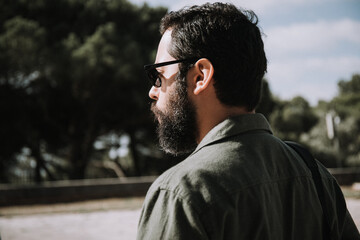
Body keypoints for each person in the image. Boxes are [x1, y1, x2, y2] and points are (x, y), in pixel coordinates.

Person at [137, 2, 359, 239]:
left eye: (158, 75)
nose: (153, 90)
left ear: (200, 76)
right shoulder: (316, 175)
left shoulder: (181, 193)